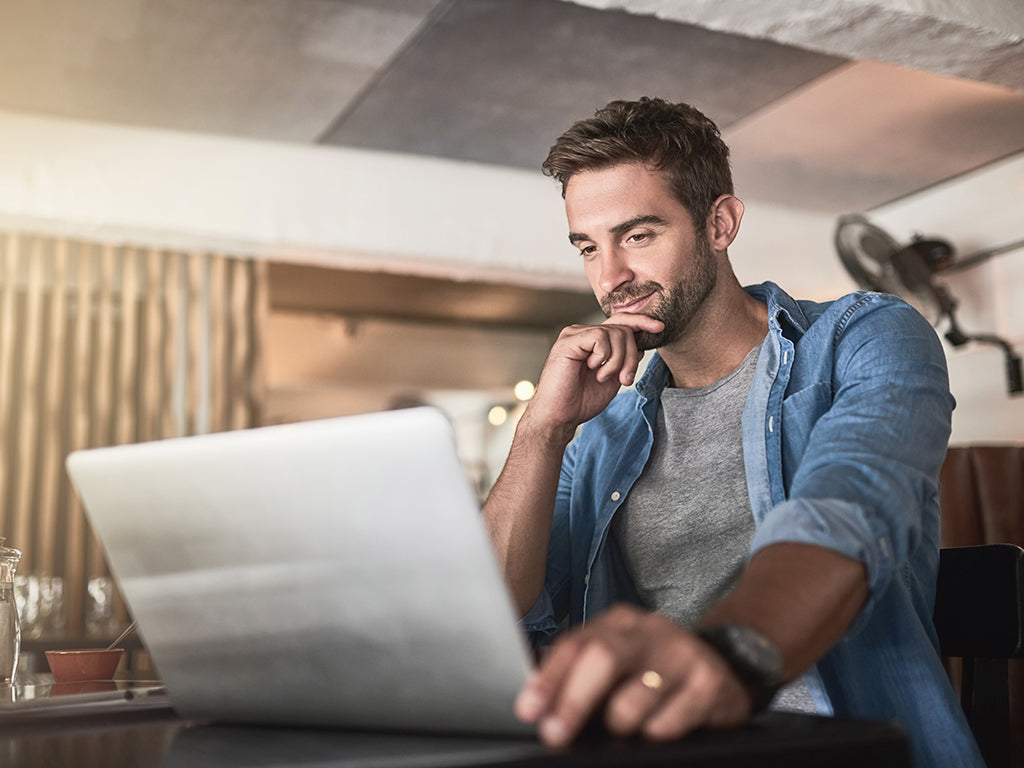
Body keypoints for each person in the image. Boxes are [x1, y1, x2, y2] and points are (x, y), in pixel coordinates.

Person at [480, 97, 983, 768]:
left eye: (638, 236)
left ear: (720, 223)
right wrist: (543, 429)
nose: (610, 278)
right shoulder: (600, 432)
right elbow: (496, 611)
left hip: (844, 748)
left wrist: (724, 659)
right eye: (588, 247)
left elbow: (847, 513)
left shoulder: (864, 337)